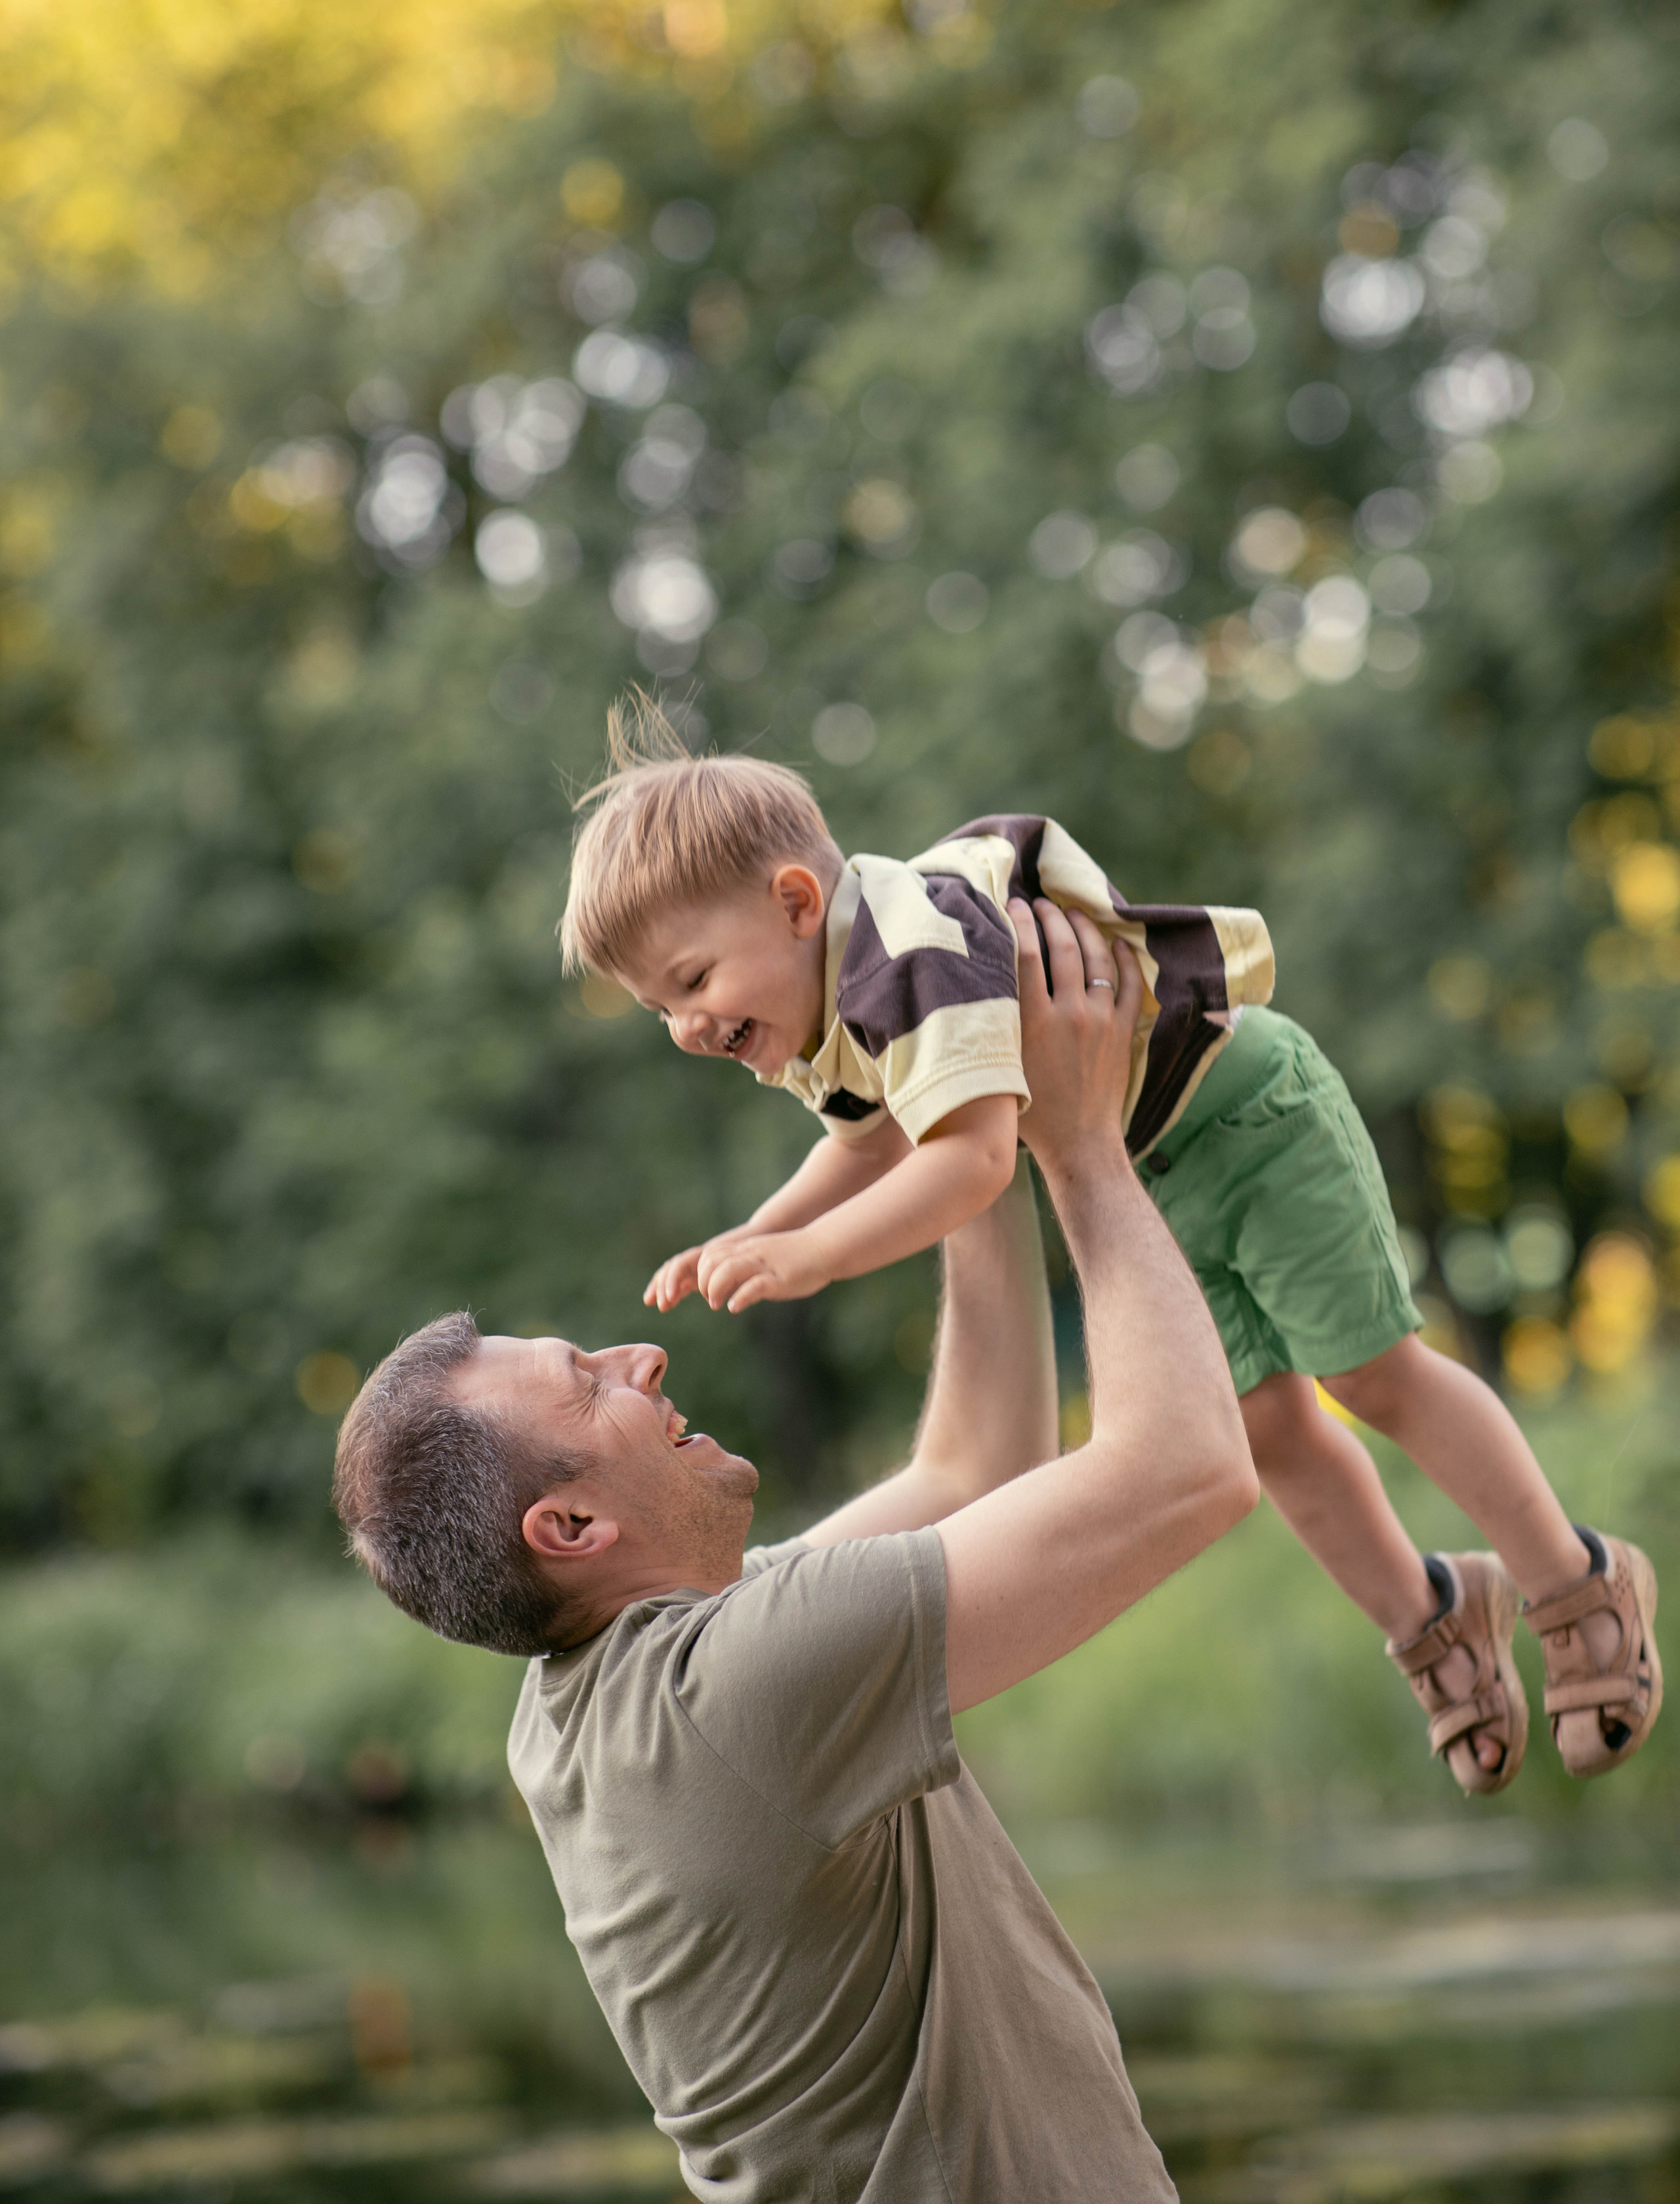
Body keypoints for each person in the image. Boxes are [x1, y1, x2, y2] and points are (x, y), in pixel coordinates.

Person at [557, 707, 1662, 1797]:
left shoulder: (912, 955)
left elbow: (973, 1161)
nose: (686, 1027)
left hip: (1248, 1114)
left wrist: (815, 1258)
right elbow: (866, 1137)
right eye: (659, 1009)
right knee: (1269, 1425)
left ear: (797, 903)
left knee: (1370, 1374)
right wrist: (760, 1230)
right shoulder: (835, 1007)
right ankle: (1433, 1616)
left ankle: (1578, 1579)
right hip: (1155, 1171)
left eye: (693, 982)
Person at [336, 904, 1257, 2201]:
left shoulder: (604, 1693)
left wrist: (961, 1103)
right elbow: (1190, 1469)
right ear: (571, 1529)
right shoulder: (738, 1691)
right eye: (589, 1381)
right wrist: (1082, 1146)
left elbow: (971, 1470)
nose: (643, 1356)